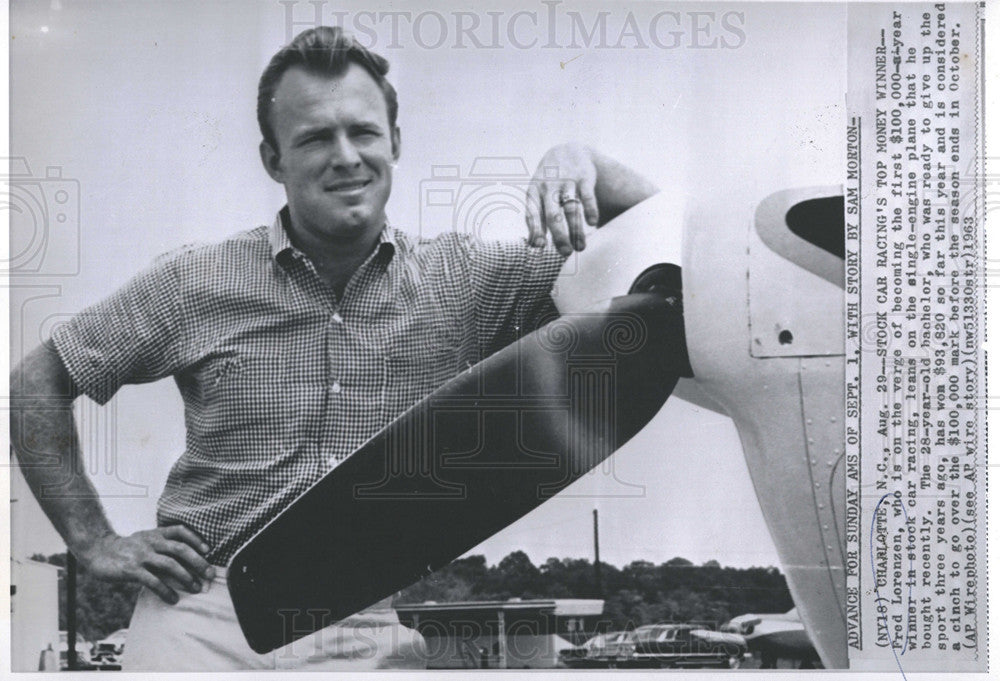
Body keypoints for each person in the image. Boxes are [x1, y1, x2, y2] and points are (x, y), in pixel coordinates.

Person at [10, 26, 659, 671]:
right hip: (201, 612)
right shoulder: (195, 281)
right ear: (273, 159)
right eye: (315, 136)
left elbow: (671, 254)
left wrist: (584, 161)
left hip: (363, 616)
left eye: (364, 131)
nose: (346, 155)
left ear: (395, 142)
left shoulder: (464, 278)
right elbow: (38, 379)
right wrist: (93, 541)